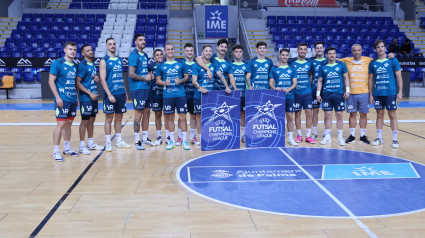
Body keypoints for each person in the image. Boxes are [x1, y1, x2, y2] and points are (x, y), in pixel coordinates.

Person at [192, 45, 231, 145]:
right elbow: (194, 81)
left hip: (211, 95)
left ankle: (210, 135)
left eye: (210, 51)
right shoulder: (196, 65)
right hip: (199, 95)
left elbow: (221, 76)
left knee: (211, 117)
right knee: (199, 117)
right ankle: (201, 139)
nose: (208, 53)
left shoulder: (214, 64)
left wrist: (227, 86)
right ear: (202, 53)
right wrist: (201, 88)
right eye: (206, 51)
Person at [369, 40, 403, 148]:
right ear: (375, 49)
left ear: (385, 48)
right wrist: (371, 95)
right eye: (378, 47)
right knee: (379, 115)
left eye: (382, 46)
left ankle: (395, 139)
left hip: (390, 92)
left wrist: (400, 92)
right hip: (378, 93)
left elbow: (399, 77)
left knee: (392, 115)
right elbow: (370, 80)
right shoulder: (373, 63)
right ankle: (379, 137)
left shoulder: (393, 60)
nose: (380, 49)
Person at [156, 44, 190, 150]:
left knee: (183, 117)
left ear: (173, 51)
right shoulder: (161, 65)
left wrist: (180, 81)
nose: (170, 51)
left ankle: (184, 140)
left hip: (180, 94)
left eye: (171, 49)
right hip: (168, 96)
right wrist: (164, 83)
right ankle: (171, 140)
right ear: (165, 52)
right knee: (170, 118)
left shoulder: (181, 63)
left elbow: (187, 77)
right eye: (168, 50)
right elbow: (158, 80)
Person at [48, 41, 79, 161]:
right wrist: (58, 97)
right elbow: (51, 81)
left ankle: (67, 148)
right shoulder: (57, 63)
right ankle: (55, 151)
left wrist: (76, 97)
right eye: (70, 49)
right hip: (62, 99)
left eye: (74, 50)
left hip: (72, 99)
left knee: (68, 124)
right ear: (65, 50)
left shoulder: (75, 65)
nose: (73, 51)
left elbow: (74, 84)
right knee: (60, 124)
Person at [99, 37, 131, 152]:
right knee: (109, 118)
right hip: (110, 94)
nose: (112, 46)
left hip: (120, 93)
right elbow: (102, 79)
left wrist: (125, 92)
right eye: (110, 44)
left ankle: (119, 141)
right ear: (106, 46)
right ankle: (108, 142)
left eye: (114, 44)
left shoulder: (119, 59)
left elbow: (121, 76)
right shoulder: (104, 60)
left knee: (119, 117)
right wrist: (109, 94)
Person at [316, 47, 350, 146]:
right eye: (329, 53)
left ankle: (340, 137)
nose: (331, 55)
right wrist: (318, 94)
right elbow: (320, 81)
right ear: (326, 55)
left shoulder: (341, 64)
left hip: (339, 94)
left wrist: (347, 91)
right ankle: (327, 136)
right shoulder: (323, 66)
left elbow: (346, 78)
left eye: (333, 53)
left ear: (336, 55)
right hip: (327, 94)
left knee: (339, 116)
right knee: (327, 116)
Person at [340, 44, 373, 144]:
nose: (357, 52)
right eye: (354, 50)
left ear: (361, 51)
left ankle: (363, 136)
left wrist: (391, 56)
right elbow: (333, 58)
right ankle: (352, 135)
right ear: (351, 51)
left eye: (359, 50)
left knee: (363, 114)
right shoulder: (346, 61)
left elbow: (381, 58)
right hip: (351, 93)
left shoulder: (369, 60)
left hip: (364, 92)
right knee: (352, 114)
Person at [128, 33, 155, 150]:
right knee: (138, 114)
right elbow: (131, 74)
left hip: (146, 88)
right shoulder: (133, 55)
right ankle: (137, 141)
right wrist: (145, 78)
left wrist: (150, 75)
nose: (143, 41)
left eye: (144, 40)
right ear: (136, 42)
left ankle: (144, 138)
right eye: (140, 40)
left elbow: (144, 71)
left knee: (147, 114)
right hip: (138, 89)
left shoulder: (144, 55)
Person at [76, 44, 103, 155]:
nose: (91, 52)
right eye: (88, 51)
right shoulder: (82, 65)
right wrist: (89, 93)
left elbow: (88, 79)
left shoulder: (92, 64)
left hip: (93, 96)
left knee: (92, 120)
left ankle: (90, 143)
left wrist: (96, 79)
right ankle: (82, 146)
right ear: (83, 53)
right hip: (86, 97)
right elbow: (77, 82)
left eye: (91, 50)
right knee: (85, 121)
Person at [269, 48, 298, 146]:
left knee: (290, 117)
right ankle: (276, 138)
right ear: (279, 56)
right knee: (276, 118)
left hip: (289, 96)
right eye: (283, 55)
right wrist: (274, 87)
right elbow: (271, 83)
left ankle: (290, 138)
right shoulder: (274, 68)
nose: (285, 57)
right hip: (277, 97)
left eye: (286, 55)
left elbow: (295, 83)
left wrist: (288, 89)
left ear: (288, 57)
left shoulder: (292, 68)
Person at [288, 43, 315, 144]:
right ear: (297, 51)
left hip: (307, 92)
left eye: (304, 49)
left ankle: (308, 136)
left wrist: (309, 85)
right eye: (301, 49)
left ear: (307, 51)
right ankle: (299, 135)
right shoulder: (291, 62)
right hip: (295, 93)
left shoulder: (309, 62)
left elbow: (311, 75)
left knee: (309, 113)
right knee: (297, 113)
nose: (303, 51)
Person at [228, 44, 248, 142]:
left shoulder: (246, 64)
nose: (238, 53)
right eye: (236, 52)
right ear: (233, 53)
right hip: (232, 94)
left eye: (240, 51)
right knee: (231, 114)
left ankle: (243, 134)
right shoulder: (230, 64)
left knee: (243, 114)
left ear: (242, 53)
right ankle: (232, 134)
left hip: (243, 94)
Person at [181, 43, 199, 145]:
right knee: (181, 116)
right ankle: (180, 137)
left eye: (191, 50)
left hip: (194, 94)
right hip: (182, 94)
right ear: (184, 52)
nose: (189, 52)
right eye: (187, 50)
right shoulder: (181, 64)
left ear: (193, 52)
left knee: (193, 116)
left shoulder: (197, 63)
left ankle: (192, 137)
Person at [148, 49, 166, 145]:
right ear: (154, 57)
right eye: (157, 55)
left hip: (167, 94)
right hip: (155, 95)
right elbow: (145, 77)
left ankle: (168, 136)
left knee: (168, 116)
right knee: (157, 116)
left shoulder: (167, 64)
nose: (159, 56)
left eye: (161, 54)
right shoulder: (150, 66)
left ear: (163, 56)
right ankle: (159, 136)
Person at [310, 41, 327, 139]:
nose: (319, 50)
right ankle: (315, 132)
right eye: (317, 48)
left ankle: (325, 131)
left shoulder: (328, 60)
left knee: (326, 111)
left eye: (321, 48)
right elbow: (311, 75)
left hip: (326, 90)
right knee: (315, 111)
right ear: (315, 50)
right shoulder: (312, 61)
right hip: (314, 89)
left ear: (324, 49)